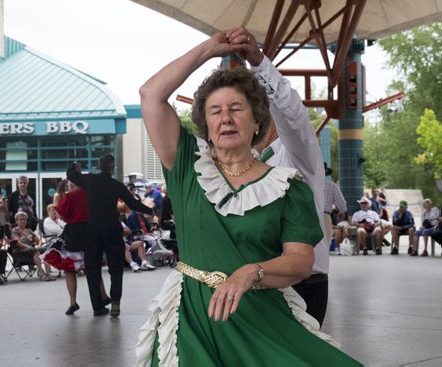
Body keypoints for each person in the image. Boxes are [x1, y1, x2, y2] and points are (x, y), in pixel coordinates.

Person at [135, 27, 361, 366]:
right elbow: (151, 94)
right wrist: (210, 48)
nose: (225, 117)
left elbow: (301, 261)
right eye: (215, 110)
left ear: (256, 120)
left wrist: (252, 271)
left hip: (263, 317)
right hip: (195, 319)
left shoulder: (287, 184)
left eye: (236, 108)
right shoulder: (186, 166)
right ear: (205, 122)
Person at [234, 29, 328, 326]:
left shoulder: (298, 154)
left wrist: (259, 63)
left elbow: (294, 115)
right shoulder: (242, 165)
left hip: (301, 284)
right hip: (255, 285)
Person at [67, 155, 153, 317]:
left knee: (92, 267)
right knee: (115, 266)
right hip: (112, 227)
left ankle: (97, 307)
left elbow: (70, 176)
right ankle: (115, 303)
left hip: (93, 227)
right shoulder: (116, 185)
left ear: (99, 165)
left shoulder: (90, 180)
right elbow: (133, 203)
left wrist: (74, 166)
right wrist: (150, 211)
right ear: (112, 168)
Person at [41, 183, 110, 315]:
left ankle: (73, 302)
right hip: (88, 230)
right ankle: (103, 295)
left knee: (69, 269)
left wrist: (59, 198)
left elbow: (60, 215)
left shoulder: (68, 197)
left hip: (72, 232)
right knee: (93, 267)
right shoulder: (89, 194)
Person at [10, 211, 55, 281]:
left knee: (46, 250)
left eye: (24, 219)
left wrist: (39, 245)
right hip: (21, 250)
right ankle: (41, 273)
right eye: (20, 219)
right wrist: (30, 247)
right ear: (16, 221)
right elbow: (18, 243)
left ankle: (48, 273)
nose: (23, 221)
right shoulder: (14, 230)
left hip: (31, 250)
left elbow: (39, 240)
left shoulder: (29, 230)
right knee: (35, 250)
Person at [323, 162, 347, 250]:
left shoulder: (308, 184)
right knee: (325, 244)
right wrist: (341, 211)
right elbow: (341, 203)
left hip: (309, 215)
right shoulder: (332, 186)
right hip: (324, 216)